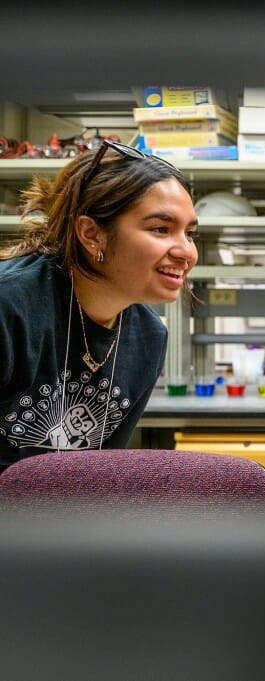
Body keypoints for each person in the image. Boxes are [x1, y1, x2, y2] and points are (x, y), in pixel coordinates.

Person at [0, 139, 197, 473]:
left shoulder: (149, 337)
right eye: (160, 229)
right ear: (92, 233)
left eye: (189, 233)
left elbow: (96, 475)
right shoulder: (10, 306)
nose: (186, 252)